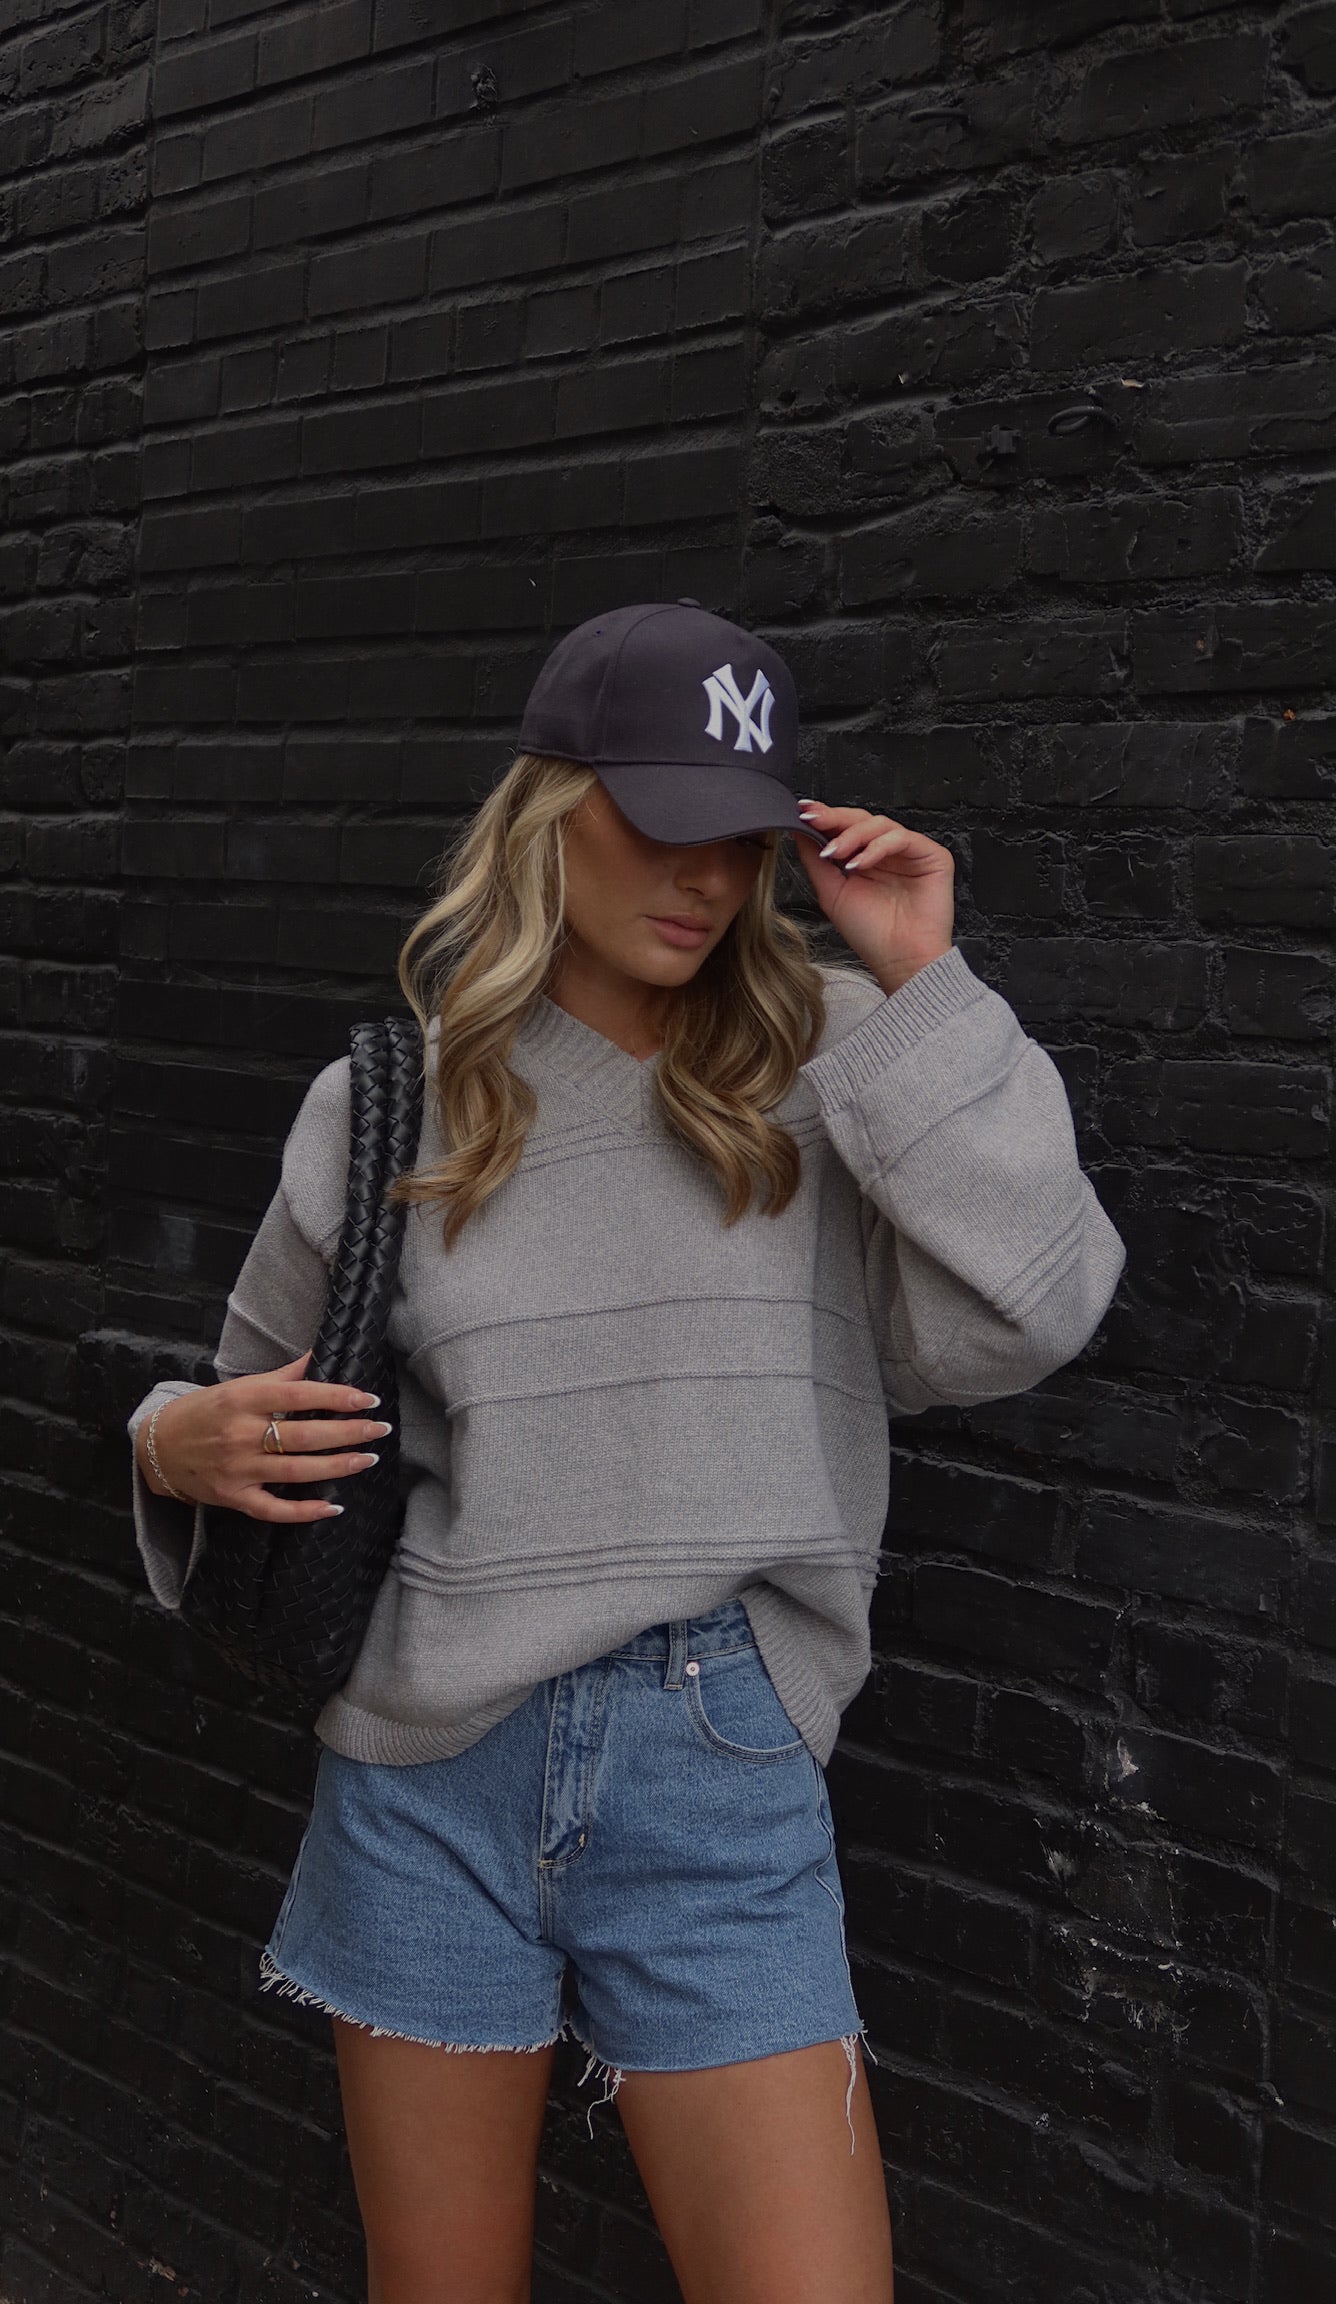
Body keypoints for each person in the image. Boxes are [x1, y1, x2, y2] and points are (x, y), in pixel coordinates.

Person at [126, 601, 1125, 2304]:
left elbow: (1041, 1306)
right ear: (549, 808)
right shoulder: (391, 1101)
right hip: (433, 1763)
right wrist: (167, 1442)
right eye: (661, 821)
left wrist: (925, 980)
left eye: (741, 837)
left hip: (718, 1766)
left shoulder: (837, 1065)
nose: (706, 879)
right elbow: (243, 1401)